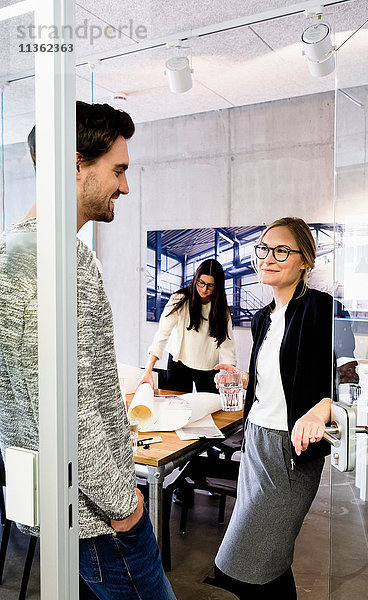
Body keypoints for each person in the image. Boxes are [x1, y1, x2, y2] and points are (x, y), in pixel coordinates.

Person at [0, 101, 176, 600]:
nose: (125, 185)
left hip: (60, 509)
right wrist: (125, 506)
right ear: (76, 165)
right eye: (118, 169)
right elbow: (64, 409)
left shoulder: (14, 250)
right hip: (98, 518)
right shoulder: (60, 260)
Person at [212, 217, 336, 600]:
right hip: (255, 443)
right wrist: (244, 379)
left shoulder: (321, 308)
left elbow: (346, 376)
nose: (268, 257)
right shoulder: (263, 316)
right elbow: (280, 376)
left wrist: (321, 410)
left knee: (241, 563)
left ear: (304, 261)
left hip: (292, 452)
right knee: (269, 562)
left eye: (281, 250)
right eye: (263, 249)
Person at [140, 258, 236, 393]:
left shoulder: (222, 310)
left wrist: (230, 379)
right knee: (176, 407)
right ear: (195, 279)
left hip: (208, 367)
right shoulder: (179, 299)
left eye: (210, 285)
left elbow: (227, 347)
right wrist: (148, 370)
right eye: (201, 283)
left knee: (210, 409)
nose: (204, 289)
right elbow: (162, 335)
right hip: (178, 364)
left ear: (218, 286)